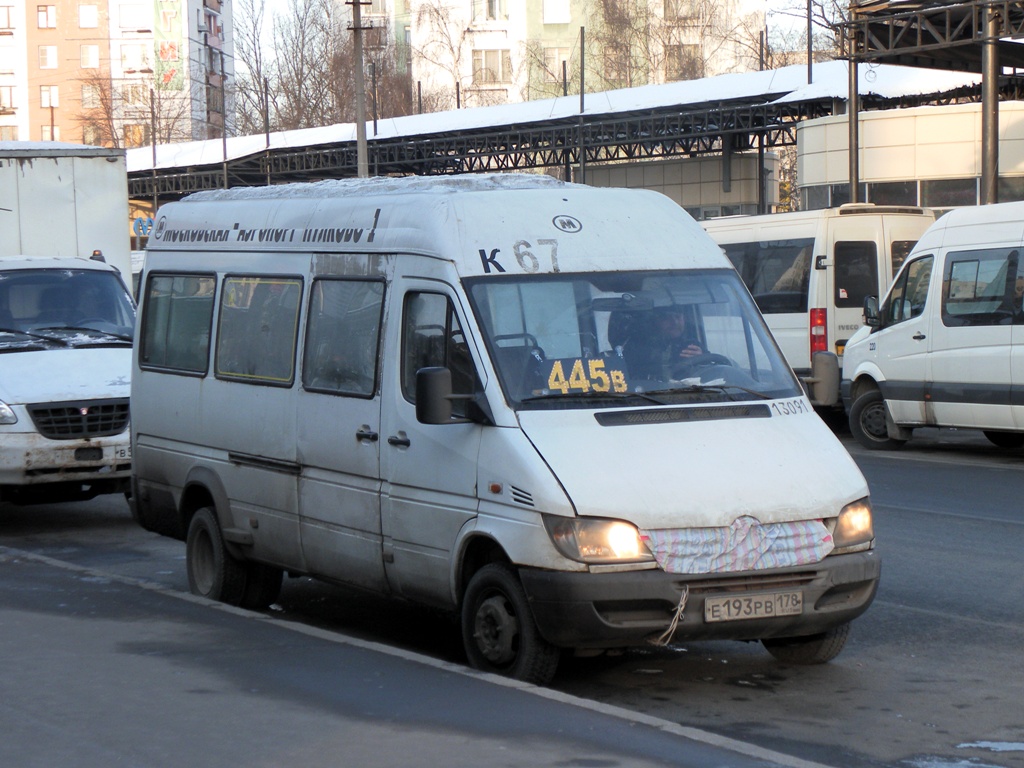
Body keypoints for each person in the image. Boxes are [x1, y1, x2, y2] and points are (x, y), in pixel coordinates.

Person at [625, 306, 704, 380]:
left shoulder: (693, 345)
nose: (675, 322)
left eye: (678, 316)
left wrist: (701, 360)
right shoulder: (638, 347)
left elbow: (709, 373)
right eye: (667, 317)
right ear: (655, 321)